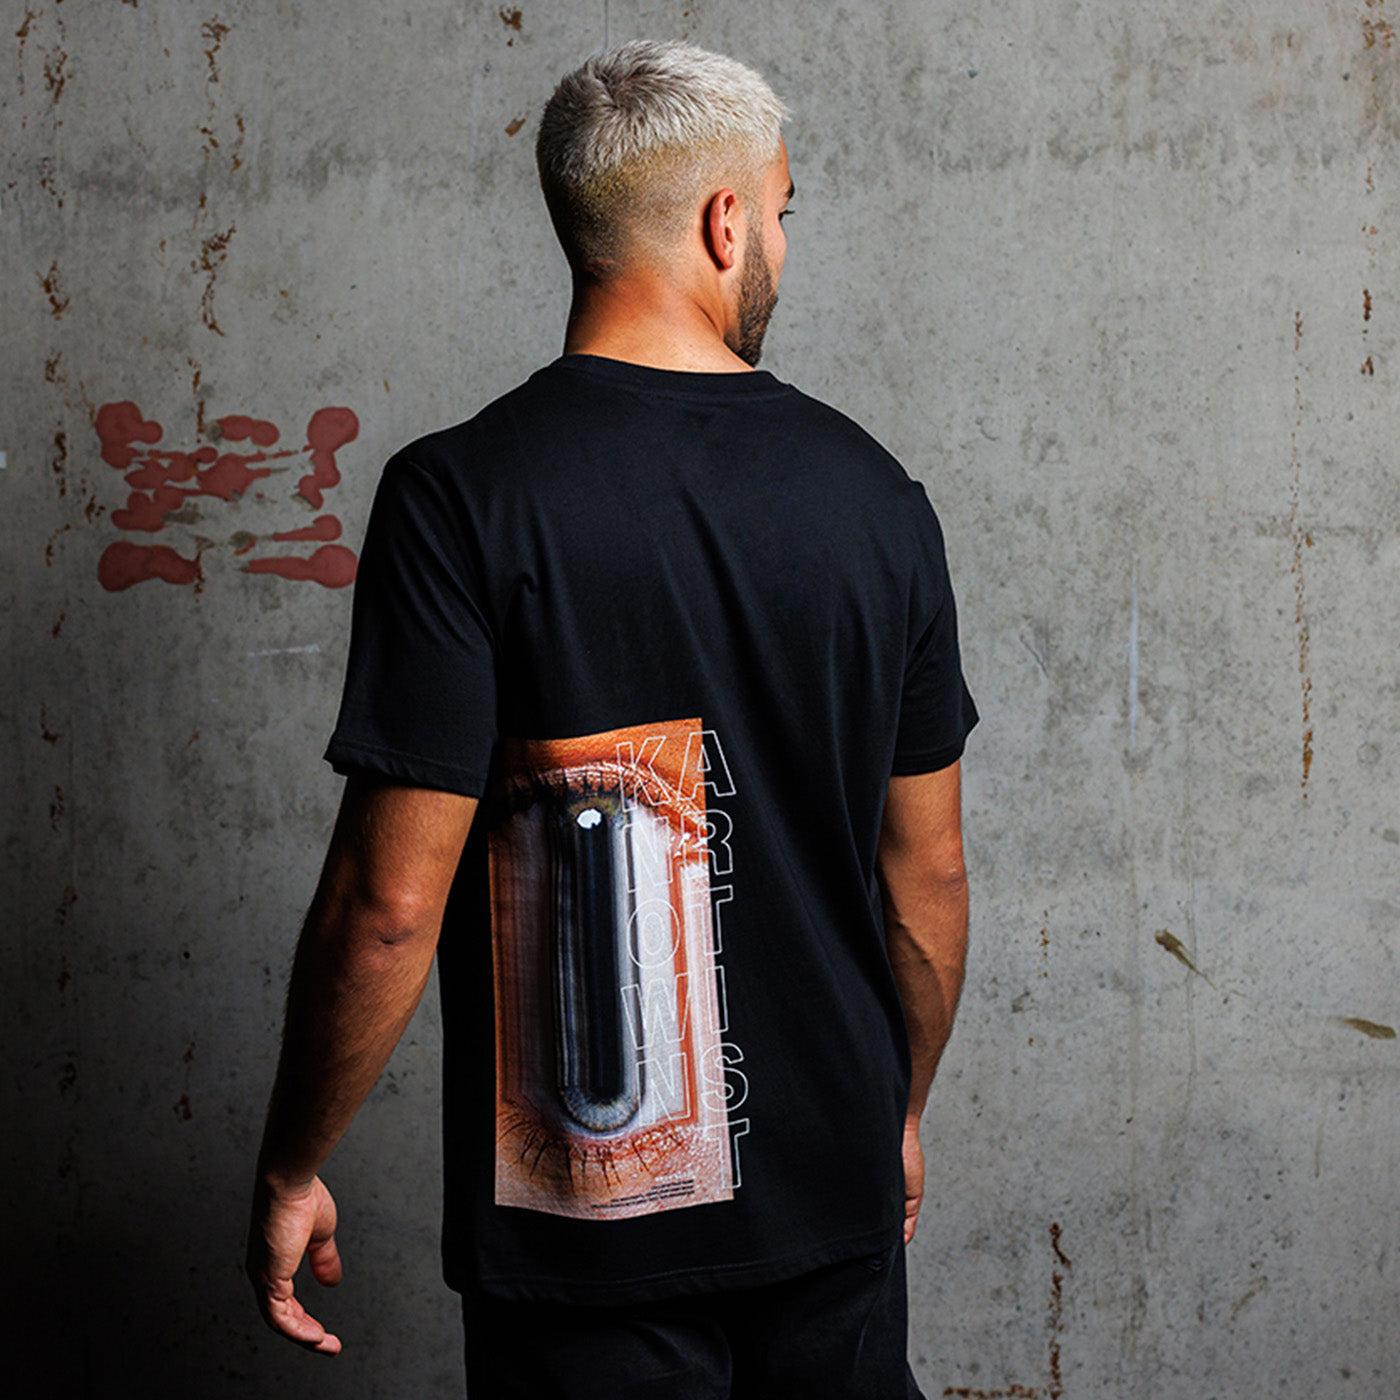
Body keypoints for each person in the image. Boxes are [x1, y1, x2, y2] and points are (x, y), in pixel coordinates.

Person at [247, 38, 976, 1399]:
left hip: (585, 1233)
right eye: (782, 213)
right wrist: (900, 1109)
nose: (779, 247)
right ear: (725, 223)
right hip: (832, 1199)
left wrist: (295, 1161)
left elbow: (388, 905)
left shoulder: (460, 497)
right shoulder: (878, 499)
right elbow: (925, 880)